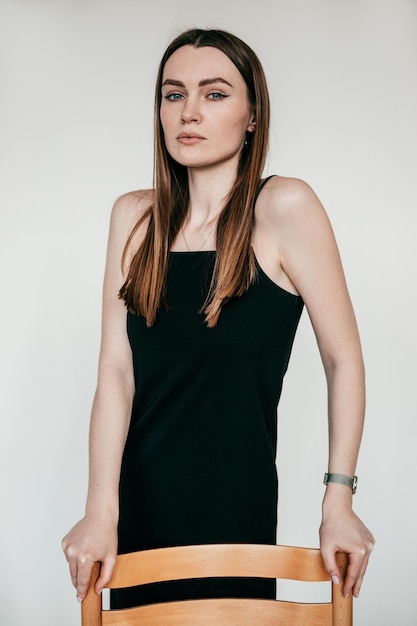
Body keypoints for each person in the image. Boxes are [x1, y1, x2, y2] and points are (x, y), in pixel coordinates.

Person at [62, 28, 374, 608]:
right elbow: (116, 374)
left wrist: (339, 500)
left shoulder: (285, 207)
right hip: (139, 511)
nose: (190, 113)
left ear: (253, 114)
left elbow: (344, 358)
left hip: (237, 506)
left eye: (215, 94)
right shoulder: (133, 217)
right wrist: (99, 510)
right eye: (174, 94)